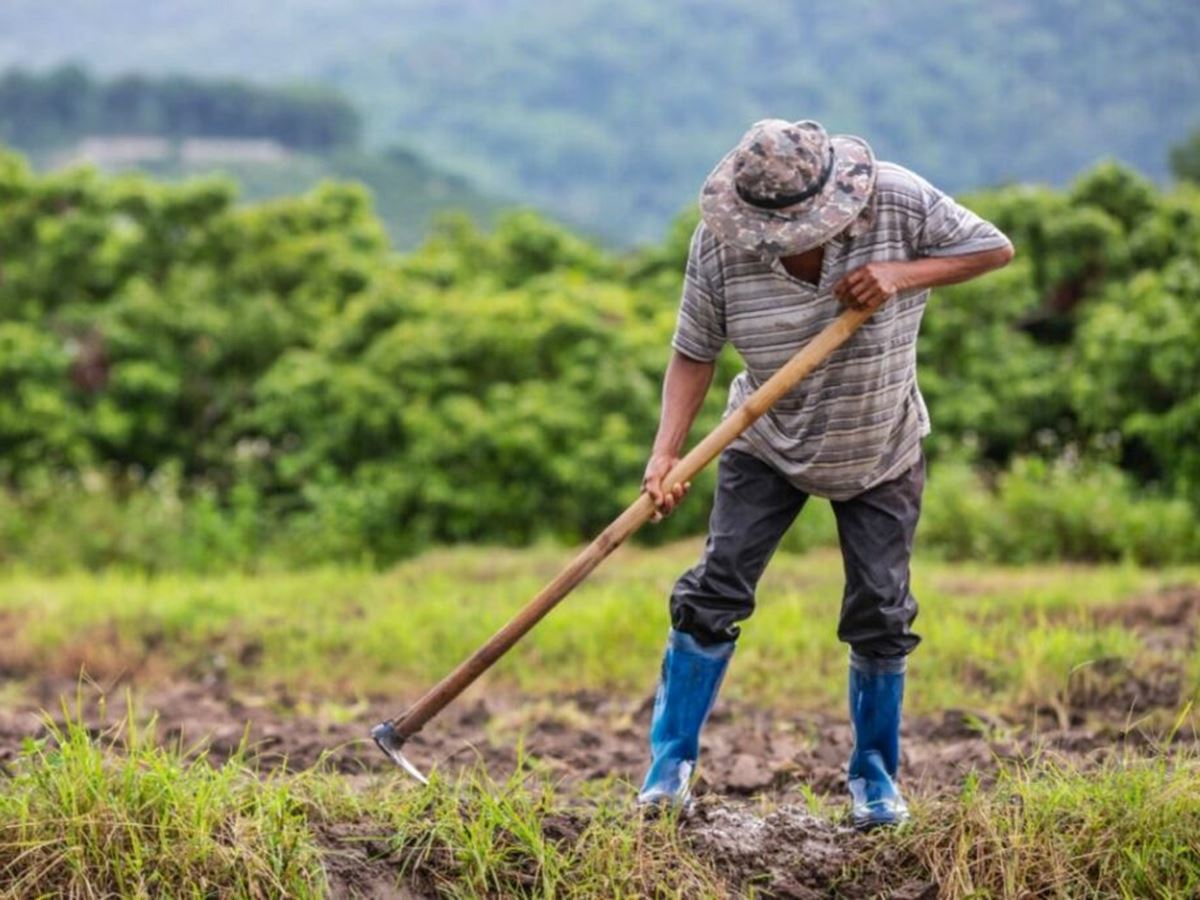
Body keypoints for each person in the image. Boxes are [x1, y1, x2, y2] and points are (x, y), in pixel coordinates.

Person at [638, 119, 1014, 829]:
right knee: (714, 591)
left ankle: (875, 779)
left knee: (881, 610)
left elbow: (993, 248)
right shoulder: (719, 244)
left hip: (880, 444)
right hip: (764, 439)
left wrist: (900, 275)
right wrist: (666, 454)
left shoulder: (896, 199)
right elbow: (694, 351)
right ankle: (668, 771)